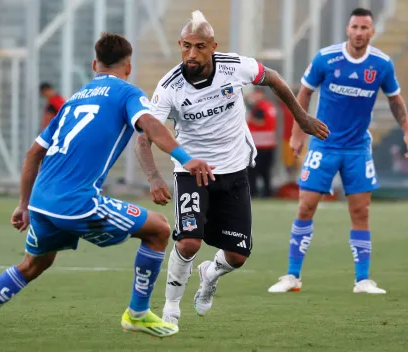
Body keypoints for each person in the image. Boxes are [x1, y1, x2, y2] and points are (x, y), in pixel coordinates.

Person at [0, 33, 215, 344]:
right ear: (128, 66)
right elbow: (151, 125)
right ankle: (137, 314)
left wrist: (23, 204)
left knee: (33, 264)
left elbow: (34, 153)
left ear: (94, 65)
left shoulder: (74, 99)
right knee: (159, 229)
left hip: (41, 202)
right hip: (76, 202)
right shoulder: (127, 92)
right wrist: (185, 157)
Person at [135, 10, 329, 326]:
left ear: (213, 46)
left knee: (237, 256)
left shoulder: (234, 66)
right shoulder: (169, 86)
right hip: (191, 171)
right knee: (188, 241)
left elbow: (274, 78)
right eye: (186, 46)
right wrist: (155, 176)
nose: (191, 54)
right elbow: (145, 136)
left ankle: (209, 275)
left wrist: (301, 117)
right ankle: (171, 308)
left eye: (199, 46)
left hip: (235, 170)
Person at [268, 8, 408, 294]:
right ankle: (292, 276)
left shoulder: (381, 64)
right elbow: (304, 93)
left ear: (372, 32)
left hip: (357, 148)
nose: (359, 32)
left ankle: (363, 280)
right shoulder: (326, 58)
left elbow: (395, 100)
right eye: (354, 27)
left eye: (364, 28)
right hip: (323, 143)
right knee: (306, 206)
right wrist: (297, 134)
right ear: (348, 29)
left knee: (361, 211)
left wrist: (406, 129)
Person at [246, 87, 278, 198]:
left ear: (261, 94)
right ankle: (266, 192)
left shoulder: (261, 107)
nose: (253, 97)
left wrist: (248, 119)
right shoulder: (269, 106)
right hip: (269, 144)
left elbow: (261, 122)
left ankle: (254, 192)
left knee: (253, 170)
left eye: (255, 94)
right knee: (265, 171)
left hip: (260, 145)